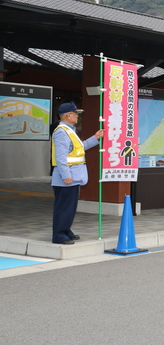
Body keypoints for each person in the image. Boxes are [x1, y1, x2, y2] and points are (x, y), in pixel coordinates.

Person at [50, 102, 104, 244]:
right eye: (76, 114)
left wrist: (95, 138)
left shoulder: (69, 130)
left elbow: (80, 148)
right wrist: (66, 175)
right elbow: (60, 157)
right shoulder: (62, 132)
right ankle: (59, 235)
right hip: (67, 177)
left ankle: (66, 231)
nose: (77, 116)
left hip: (73, 176)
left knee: (70, 207)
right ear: (69, 115)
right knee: (64, 207)